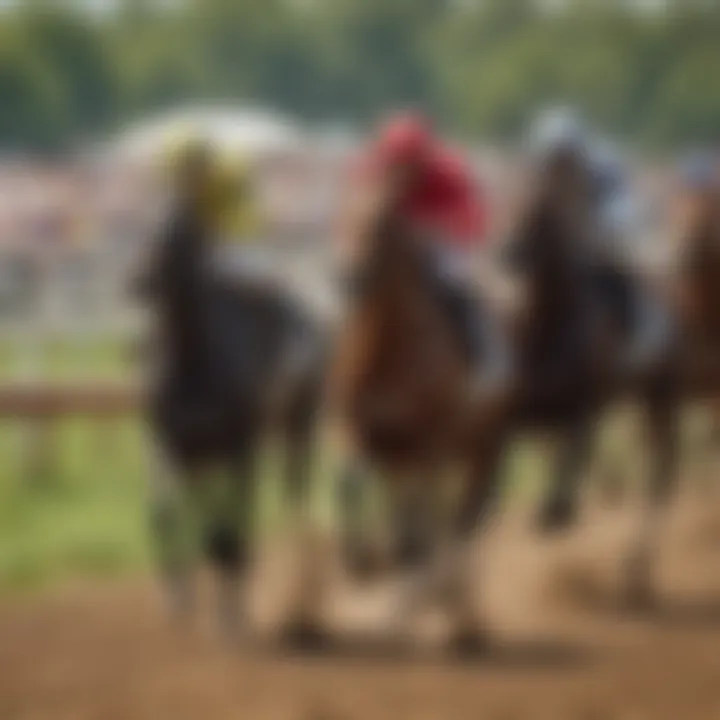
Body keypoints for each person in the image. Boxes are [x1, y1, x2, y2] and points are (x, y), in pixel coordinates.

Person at [347, 112, 493, 391]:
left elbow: (473, 217)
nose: (402, 172)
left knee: (457, 283)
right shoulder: (374, 169)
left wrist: (428, 230)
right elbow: (357, 210)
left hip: (440, 247)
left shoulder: (448, 172)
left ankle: (483, 357)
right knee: (356, 284)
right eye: (396, 163)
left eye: (408, 163)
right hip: (391, 248)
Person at [527, 106, 669, 374]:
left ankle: (641, 326)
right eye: (554, 159)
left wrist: (592, 233)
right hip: (574, 236)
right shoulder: (541, 172)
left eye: (563, 157)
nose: (559, 165)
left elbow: (620, 208)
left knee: (617, 265)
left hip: (610, 224)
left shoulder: (603, 165)